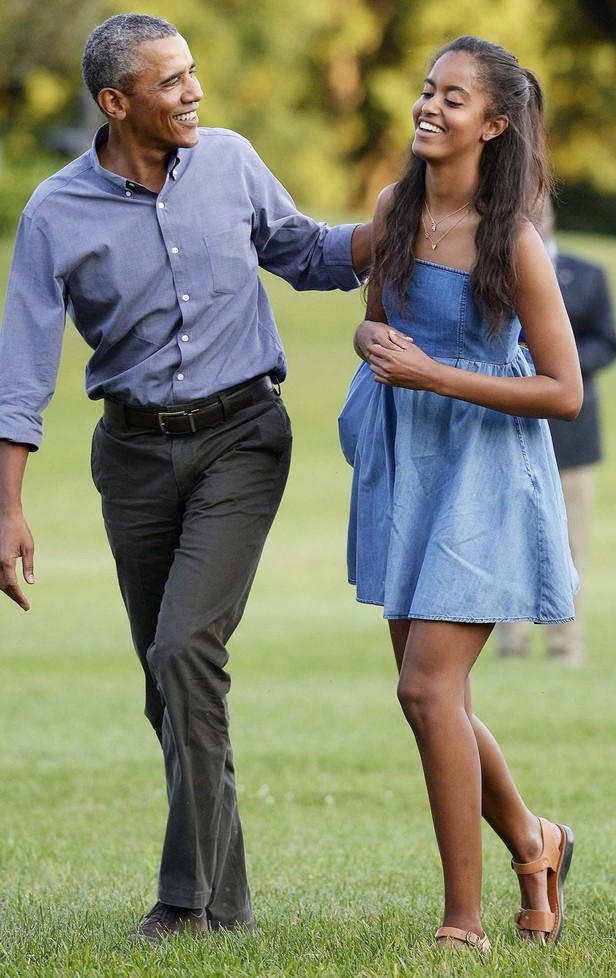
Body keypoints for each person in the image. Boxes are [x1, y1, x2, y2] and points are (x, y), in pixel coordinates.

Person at [0, 13, 371, 944]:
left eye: (192, 72)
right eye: (170, 82)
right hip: (131, 458)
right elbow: (20, 374)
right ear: (116, 102)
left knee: (184, 651)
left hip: (244, 439)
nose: (193, 91)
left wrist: (409, 220)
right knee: (170, 683)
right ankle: (231, 908)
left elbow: (308, 254)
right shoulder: (55, 212)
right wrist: (7, 509)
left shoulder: (234, 160)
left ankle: (182, 903)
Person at [346, 36, 582, 950]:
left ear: (494, 124)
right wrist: (375, 349)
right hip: (408, 471)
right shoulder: (392, 209)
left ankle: (464, 923)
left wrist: (434, 374)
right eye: (427, 90)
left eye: (454, 98)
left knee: (427, 689)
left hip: (484, 475)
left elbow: (563, 390)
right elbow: (378, 329)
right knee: (428, 696)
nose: (429, 108)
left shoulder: (511, 239)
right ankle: (536, 840)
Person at [495, 198, 616, 665]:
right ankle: (512, 643)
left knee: (571, 545)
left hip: (572, 435)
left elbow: (607, 341)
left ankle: (567, 644)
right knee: (506, 537)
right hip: (506, 425)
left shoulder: (587, 275)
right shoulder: (492, 268)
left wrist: (556, 368)